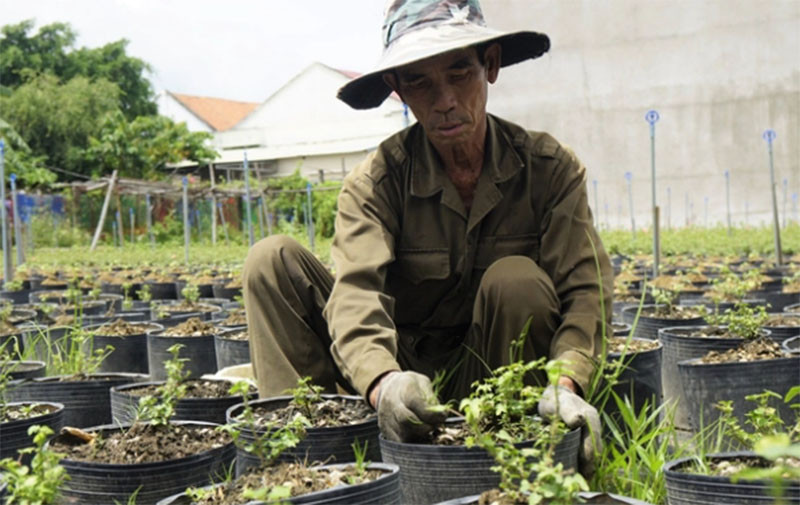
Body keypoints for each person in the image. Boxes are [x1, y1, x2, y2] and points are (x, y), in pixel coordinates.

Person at [242, 0, 613, 476]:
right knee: (271, 261)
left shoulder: (548, 170)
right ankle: (310, 466)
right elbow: (356, 294)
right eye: (419, 80)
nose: (444, 101)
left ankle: (513, 464)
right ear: (397, 90)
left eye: (460, 72)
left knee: (517, 280)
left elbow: (587, 292)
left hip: (497, 375)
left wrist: (567, 384)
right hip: (403, 371)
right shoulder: (375, 182)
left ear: (491, 65)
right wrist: (383, 382)